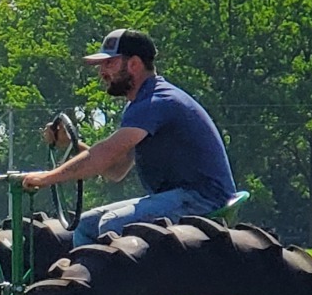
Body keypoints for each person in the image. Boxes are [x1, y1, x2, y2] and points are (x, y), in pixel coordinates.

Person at [20, 29, 236, 245]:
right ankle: (87, 269)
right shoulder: (139, 105)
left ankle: (114, 269)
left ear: (133, 64)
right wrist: (72, 144)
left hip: (203, 198)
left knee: (113, 223)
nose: (102, 72)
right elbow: (116, 170)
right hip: (180, 196)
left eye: (109, 63)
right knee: (85, 226)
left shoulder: (156, 101)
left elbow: (106, 153)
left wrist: (46, 178)